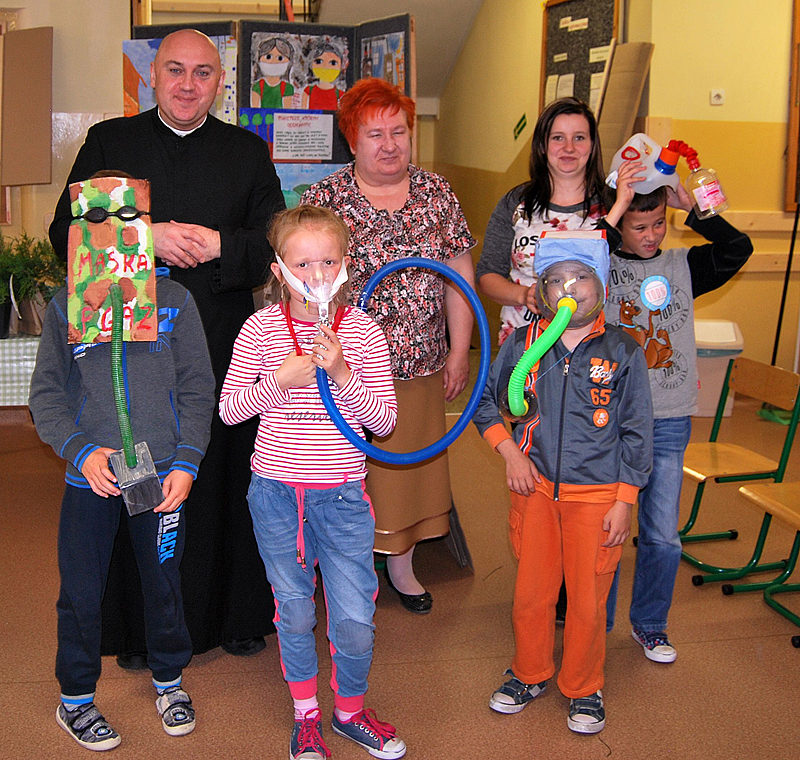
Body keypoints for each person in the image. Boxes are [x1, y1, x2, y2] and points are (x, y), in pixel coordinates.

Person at [48, 28, 286, 661]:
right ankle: (138, 631)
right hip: (130, 350)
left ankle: (232, 617)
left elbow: (276, 244)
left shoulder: (247, 151)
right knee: (140, 479)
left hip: (223, 340)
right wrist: (144, 236)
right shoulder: (109, 142)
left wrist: (218, 244)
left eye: (202, 73)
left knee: (219, 476)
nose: (187, 84)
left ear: (219, 83)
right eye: (175, 70)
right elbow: (62, 232)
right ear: (152, 76)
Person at [29, 175, 216, 750]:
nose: (112, 232)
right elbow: (46, 395)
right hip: (91, 478)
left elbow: (197, 387)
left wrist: (187, 461)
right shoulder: (65, 305)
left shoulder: (176, 303)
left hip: (161, 475)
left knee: (162, 581)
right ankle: (75, 699)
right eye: (97, 222)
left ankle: (169, 680)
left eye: (127, 220)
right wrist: (81, 450)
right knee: (81, 590)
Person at [219, 205, 405, 760]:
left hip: (342, 496)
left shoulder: (363, 331)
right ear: (280, 271)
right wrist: (280, 380)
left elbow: (384, 423)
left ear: (346, 264)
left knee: (355, 617)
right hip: (277, 494)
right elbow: (230, 410)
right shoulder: (259, 329)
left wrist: (343, 373)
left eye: (328, 261)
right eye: (303, 264)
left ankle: (349, 711)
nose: (317, 274)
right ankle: (306, 714)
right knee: (295, 610)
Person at [300, 78, 476, 613]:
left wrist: (460, 349)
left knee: (408, 471)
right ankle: (342, 571)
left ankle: (402, 567)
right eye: (375, 134)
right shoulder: (325, 199)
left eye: (399, 131)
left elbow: (459, 274)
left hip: (421, 361)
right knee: (344, 475)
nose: (390, 144)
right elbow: (305, 283)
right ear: (352, 139)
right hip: (348, 367)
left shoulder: (435, 192)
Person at [473, 232, 653, 734]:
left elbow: (638, 431)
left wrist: (625, 499)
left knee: (588, 600)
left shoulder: (623, 350)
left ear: (601, 285)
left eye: (580, 278)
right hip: (533, 490)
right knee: (531, 594)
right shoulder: (522, 344)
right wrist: (510, 452)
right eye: (556, 280)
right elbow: (485, 403)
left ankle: (583, 684)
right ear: (542, 290)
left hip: (597, 497)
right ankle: (529, 672)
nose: (568, 289)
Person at [602, 177, 753, 661]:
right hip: (611, 421)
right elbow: (580, 253)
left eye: (658, 224)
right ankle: (595, 624)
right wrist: (616, 208)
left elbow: (738, 248)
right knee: (605, 530)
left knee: (663, 535)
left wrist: (697, 211)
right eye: (638, 226)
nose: (650, 235)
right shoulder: (599, 267)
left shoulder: (683, 266)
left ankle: (650, 624)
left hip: (668, 418)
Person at [476, 97, 637, 346]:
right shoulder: (516, 203)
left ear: (593, 146)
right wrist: (523, 295)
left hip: (595, 349)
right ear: (542, 146)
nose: (569, 148)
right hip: (525, 346)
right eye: (558, 138)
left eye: (579, 138)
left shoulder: (615, 205)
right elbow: (487, 276)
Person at [251, 36, 295, 109]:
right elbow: (254, 110)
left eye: (280, 58)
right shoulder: (257, 86)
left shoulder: (288, 88)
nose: (273, 62)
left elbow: (287, 111)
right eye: (268, 57)